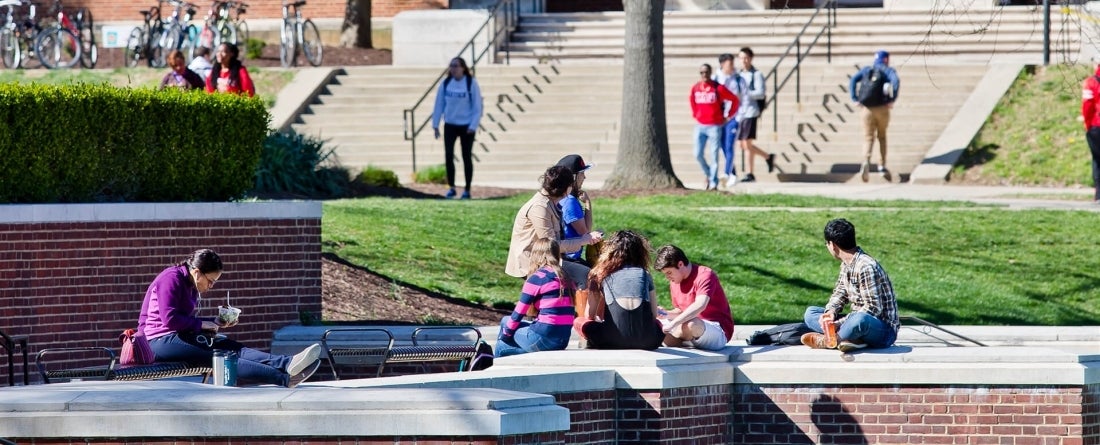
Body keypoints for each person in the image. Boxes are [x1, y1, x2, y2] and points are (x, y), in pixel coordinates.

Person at [137, 249, 322, 387]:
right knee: (220, 356)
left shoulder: (189, 284)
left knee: (230, 346)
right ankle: (284, 378)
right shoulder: (171, 279)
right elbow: (170, 320)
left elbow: (182, 320)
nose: (211, 286)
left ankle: (286, 363)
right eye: (210, 281)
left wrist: (214, 322)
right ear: (196, 272)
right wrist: (202, 324)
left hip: (174, 338)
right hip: (156, 342)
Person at [801, 218, 900, 353]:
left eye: (826, 243)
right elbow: (840, 292)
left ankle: (829, 340)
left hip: (881, 330)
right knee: (811, 313)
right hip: (854, 320)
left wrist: (839, 323)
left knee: (859, 320)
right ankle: (852, 339)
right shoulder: (846, 264)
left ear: (833, 245)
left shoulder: (866, 266)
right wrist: (831, 312)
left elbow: (873, 309)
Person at [506, 165, 603, 291]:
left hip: (548, 258)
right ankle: (580, 311)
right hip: (533, 262)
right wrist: (585, 240)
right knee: (587, 276)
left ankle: (572, 309)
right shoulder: (539, 207)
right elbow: (551, 245)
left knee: (590, 273)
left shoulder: (549, 202)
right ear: (567, 188)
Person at [575, 230, 665, 350]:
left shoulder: (600, 274)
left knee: (579, 321)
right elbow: (654, 315)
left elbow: (589, 315)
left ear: (610, 251)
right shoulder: (645, 274)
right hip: (648, 340)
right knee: (659, 325)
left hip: (611, 340)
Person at [495, 238, 575, 357]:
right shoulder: (567, 278)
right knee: (509, 335)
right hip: (562, 340)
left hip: (543, 336)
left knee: (502, 339)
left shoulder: (538, 278)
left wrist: (506, 336)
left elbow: (518, 313)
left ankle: (490, 371)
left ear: (536, 255)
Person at [654, 245, 735, 351]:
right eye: (665, 274)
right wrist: (665, 313)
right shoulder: (674, 281)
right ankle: (676, 339)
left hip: (716, 329)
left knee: (692, 324)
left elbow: (700, 305)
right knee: (654, 322)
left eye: (669, 272)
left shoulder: (705, 275)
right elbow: (681, 311)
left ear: (680, 264)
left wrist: (673, 324)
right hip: (686, 329)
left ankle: (673, 339)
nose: (667, 277)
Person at [431, 57, 484, 200]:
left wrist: (473, 125)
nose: (453, 69)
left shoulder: (470, 83)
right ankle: (452, 187)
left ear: (463, 68)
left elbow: (477, 107)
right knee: (448, 155)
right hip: (450, 125)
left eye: (456, 66)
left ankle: (467, 189)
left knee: (466, 156)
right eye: (451, 66)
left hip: (466, 126)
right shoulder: (446, 83)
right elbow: (439, 104)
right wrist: (435, 124)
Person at [849, 49, 901, 183]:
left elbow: (853, 80)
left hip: (866, 109)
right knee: (882, 136)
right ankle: (881, 165)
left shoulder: (867, 69)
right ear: (886, 59)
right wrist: (892, 99)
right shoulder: (888, 71)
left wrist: (855, 98)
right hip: (882, 108)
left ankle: (866, 160)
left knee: (868, 137)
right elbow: (895, 81)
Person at [690, 63, 738, 190]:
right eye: (702, 73)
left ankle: (713, 183)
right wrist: (696, 114)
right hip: (700, 125)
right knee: (697, 154)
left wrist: (728, 116)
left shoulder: (718, 88)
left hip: (714, 126)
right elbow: (692, 101)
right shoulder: (696, 88)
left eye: (706, 72)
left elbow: (734, 99)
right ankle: (709, 175)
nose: (704, 75)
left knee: (714, 155)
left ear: (710, 73)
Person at [735, 47, 775, 183]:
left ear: (751, 58)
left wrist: (745, 94)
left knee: (747, 142)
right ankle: (767, 157)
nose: (744, 61)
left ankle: (750, 173)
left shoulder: (756, 74)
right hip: (740, 112)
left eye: (746, 58)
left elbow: (761, 93)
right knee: (742, 144)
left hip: (751, 111)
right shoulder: (738, 75)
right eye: (741, 58)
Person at [714, 53, 747, 188]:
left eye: (733, 64)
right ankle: (733, 173)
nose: (732, 67)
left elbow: (744, 99)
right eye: (729, 64)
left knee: (729, 145)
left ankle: (727, 173)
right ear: (722, 64)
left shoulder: (739, 80)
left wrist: (738, 116)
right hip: (719, 118)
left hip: (733, 117)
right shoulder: (716, 79)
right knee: (723, 146)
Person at [556, 154, 594, 265]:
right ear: (573, 177)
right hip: (568, 260)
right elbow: (585, 232)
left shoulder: (561, 197)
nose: (584, 177)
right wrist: (587, 203)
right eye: (582, 173)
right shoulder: (570, 201)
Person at [1081, 60, 1100, 203]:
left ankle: (1099, 194)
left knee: (1097, 160)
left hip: (1095, 126)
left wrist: (1087, 124)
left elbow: (1087, 106)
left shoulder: (1091, 82)